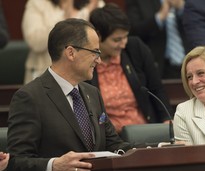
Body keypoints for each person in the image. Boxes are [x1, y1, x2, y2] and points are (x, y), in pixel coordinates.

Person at [7, 18, 133, 171]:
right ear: (71, 52)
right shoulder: (30, 97)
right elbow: (16, 164)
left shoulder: (93, 94)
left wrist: (155, 149)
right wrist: (55, 165)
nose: (99, 60)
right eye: (95, 52)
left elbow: (113, 144)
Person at [88, 3, 173, 133]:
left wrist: (167, 119)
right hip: (110, 139)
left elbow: (156, 89)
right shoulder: (87, 62)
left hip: (145, 131)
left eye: (125, 37)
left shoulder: (135, 48)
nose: (123, 44)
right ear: (98, 36)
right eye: (117, 40)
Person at [22, 0, 105, 84]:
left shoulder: (93, 2)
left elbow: (104, 39)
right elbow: (35, 42)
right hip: (43, 74)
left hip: (84, 78)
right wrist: (66, 18)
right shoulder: (37, 3)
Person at [125, 0, 188, 79]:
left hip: (188, 61)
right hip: (160, 65)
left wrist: (182, 8)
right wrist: (160, 17)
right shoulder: (138, 2)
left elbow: (199, 23)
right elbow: (133, 32)